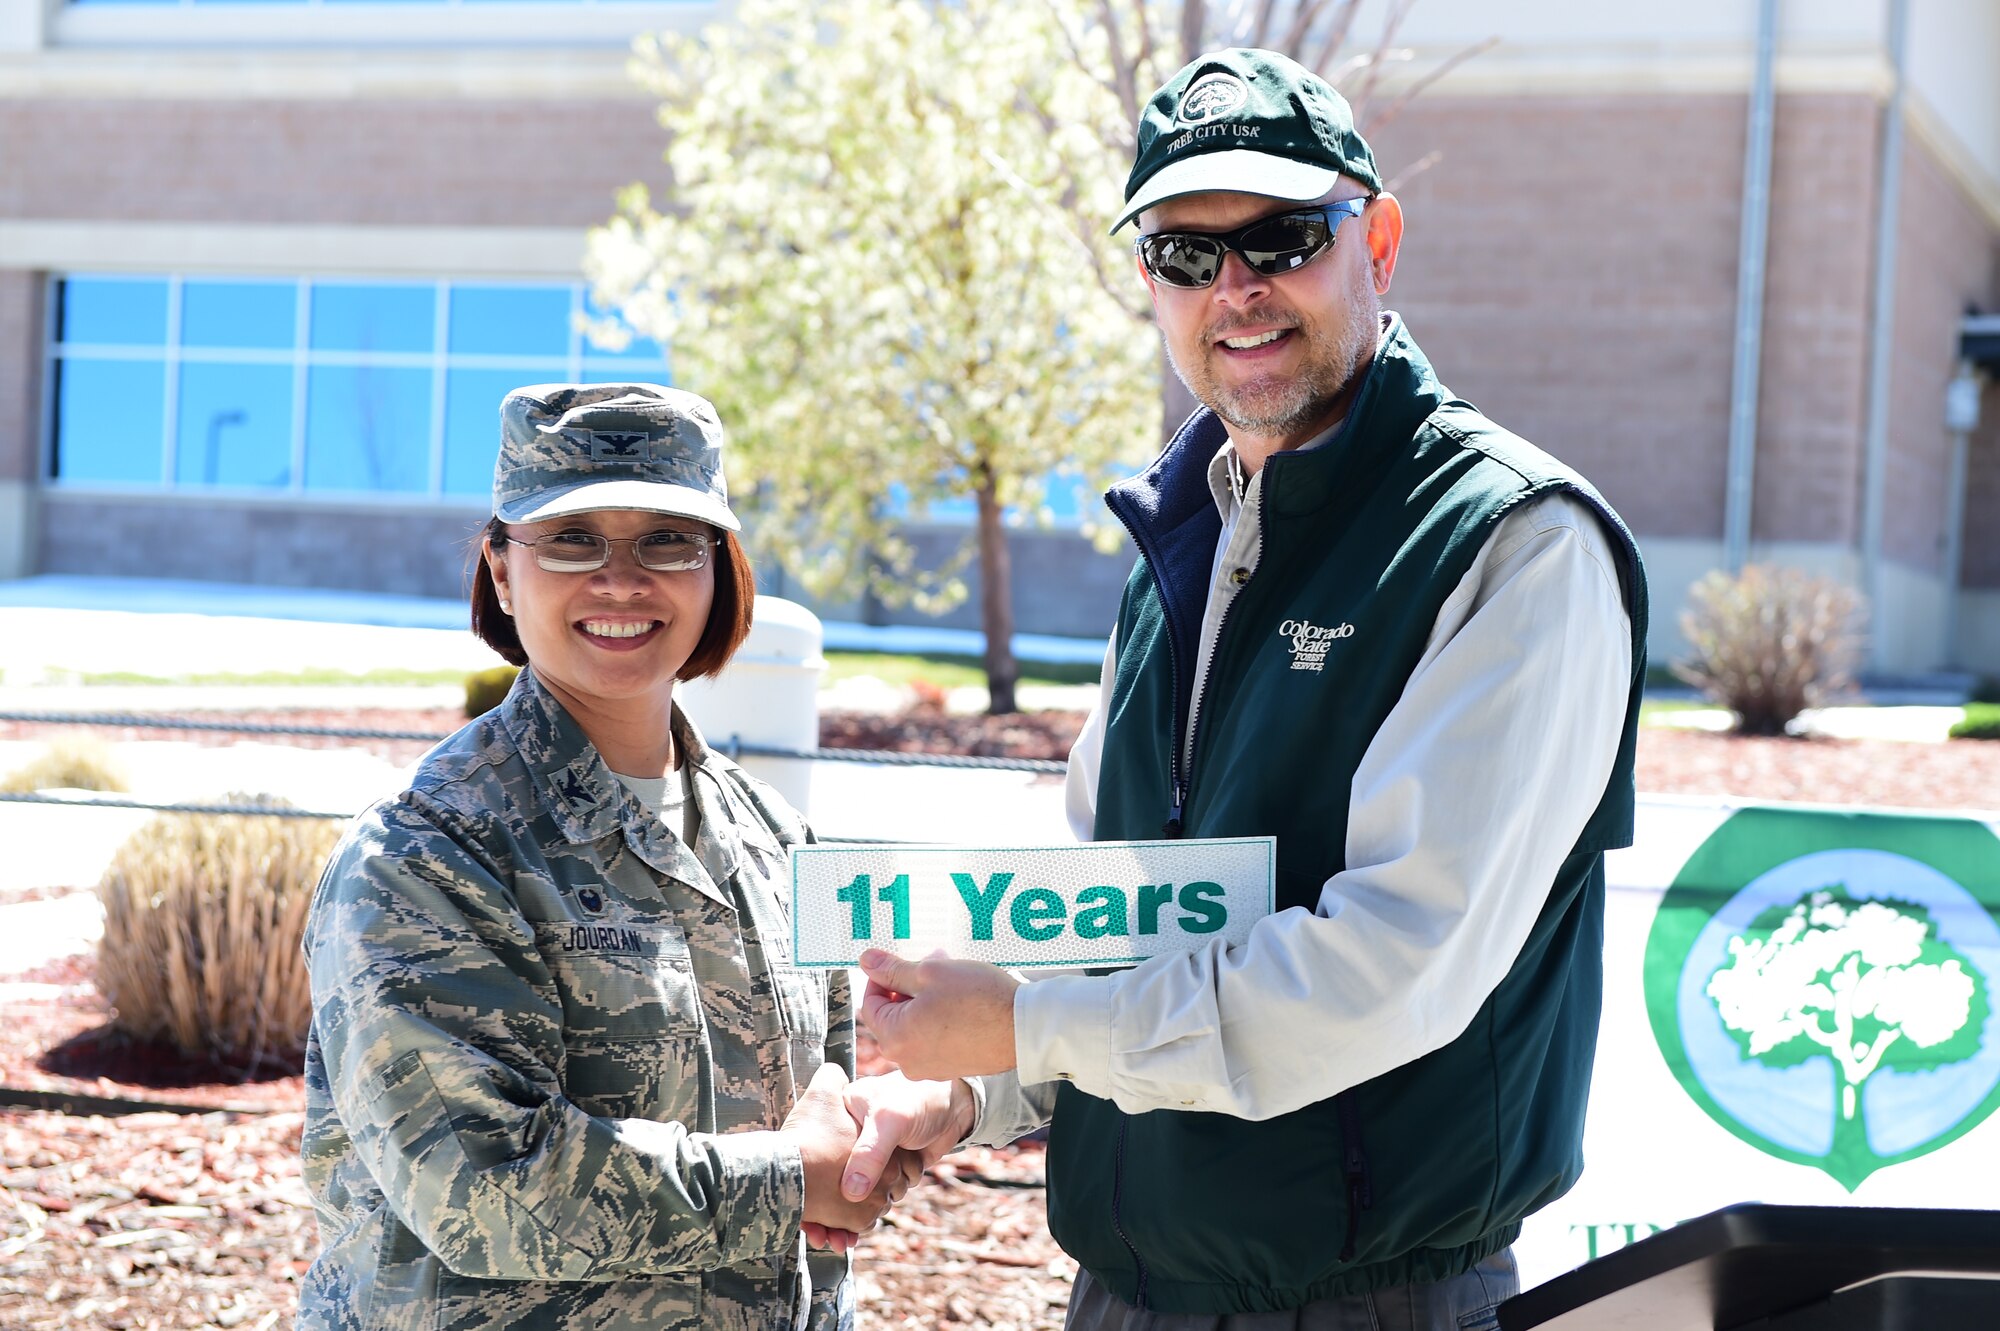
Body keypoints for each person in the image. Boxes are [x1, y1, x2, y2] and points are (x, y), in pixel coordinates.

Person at [847, 47, 1649, 1331]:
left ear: (1375, 242)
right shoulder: (1185, 533)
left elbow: (1382, 969)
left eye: (1281, 237)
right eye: (1183, 252)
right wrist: (957, 1093)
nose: (1236, 288)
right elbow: (1102, 925)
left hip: (1370, 1304)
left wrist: (1023, 1029)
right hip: (1120, 1293)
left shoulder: (1512, 544)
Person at [298, 382, 921, 1331]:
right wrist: (796, 1179)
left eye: (668, 541)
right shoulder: (427, 850)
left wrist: (889, 1134)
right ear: (502, 572)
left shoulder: (775, 838)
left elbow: (828, 1117)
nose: (622, 580)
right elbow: (483, 1188)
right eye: (571, 539)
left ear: (721, 569)